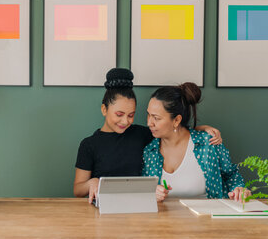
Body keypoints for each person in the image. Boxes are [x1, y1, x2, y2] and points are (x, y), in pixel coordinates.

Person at [73, 68, 222, 203]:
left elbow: (171, 131)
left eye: (131, 115)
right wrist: (91, 183)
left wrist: (201, 130)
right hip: (104, 208)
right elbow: (77, 190)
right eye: (119, 114)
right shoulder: (89, 145)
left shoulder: (142, 135)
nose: (125, 121)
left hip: (138, 208)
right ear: (104, 109)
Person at [142, 82, 249, 202]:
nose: (149, 123)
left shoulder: (208, 143)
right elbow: (144, 192)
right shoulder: (149, 151)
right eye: (148, 115)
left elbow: (231, 175)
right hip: (165, 220)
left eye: (156, 118)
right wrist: (151, 193)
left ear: (176, 120)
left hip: (209, 217)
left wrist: (239, 189)